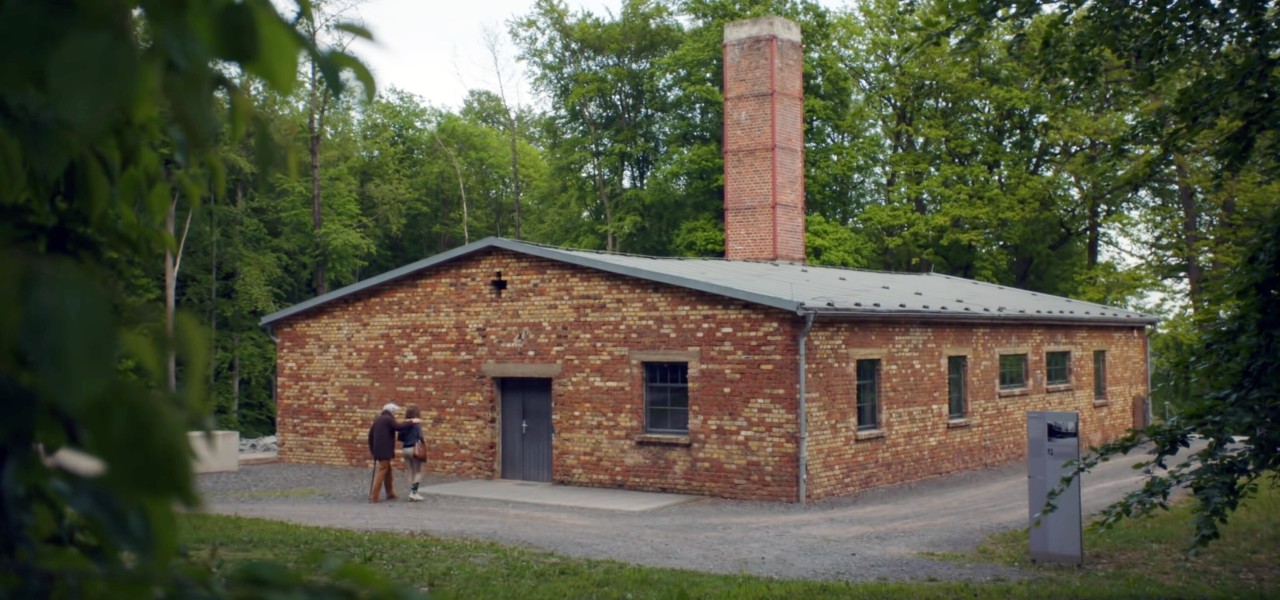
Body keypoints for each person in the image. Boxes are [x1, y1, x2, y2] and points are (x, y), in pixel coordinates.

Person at [367, 402, 419, 503]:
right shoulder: (388, 419)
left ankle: (390, 493)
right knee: (382, 470)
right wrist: (411, 421)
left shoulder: (379, 419)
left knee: (388, 470)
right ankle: (374, 496)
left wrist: (372, 450)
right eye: (394, 412)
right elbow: (398, 427)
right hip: (384, 450)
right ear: (391, 411)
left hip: (379, 449)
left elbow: (370, 435)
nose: (395, 414)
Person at [399, 405, 426, 501]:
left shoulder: (404, 424)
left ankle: (412, 492)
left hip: (405, 449)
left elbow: (400, 438)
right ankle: (413, 493)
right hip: (414, 449)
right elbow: (421, 436)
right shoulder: (417, 425)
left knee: (410, 471)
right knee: (418, 472)